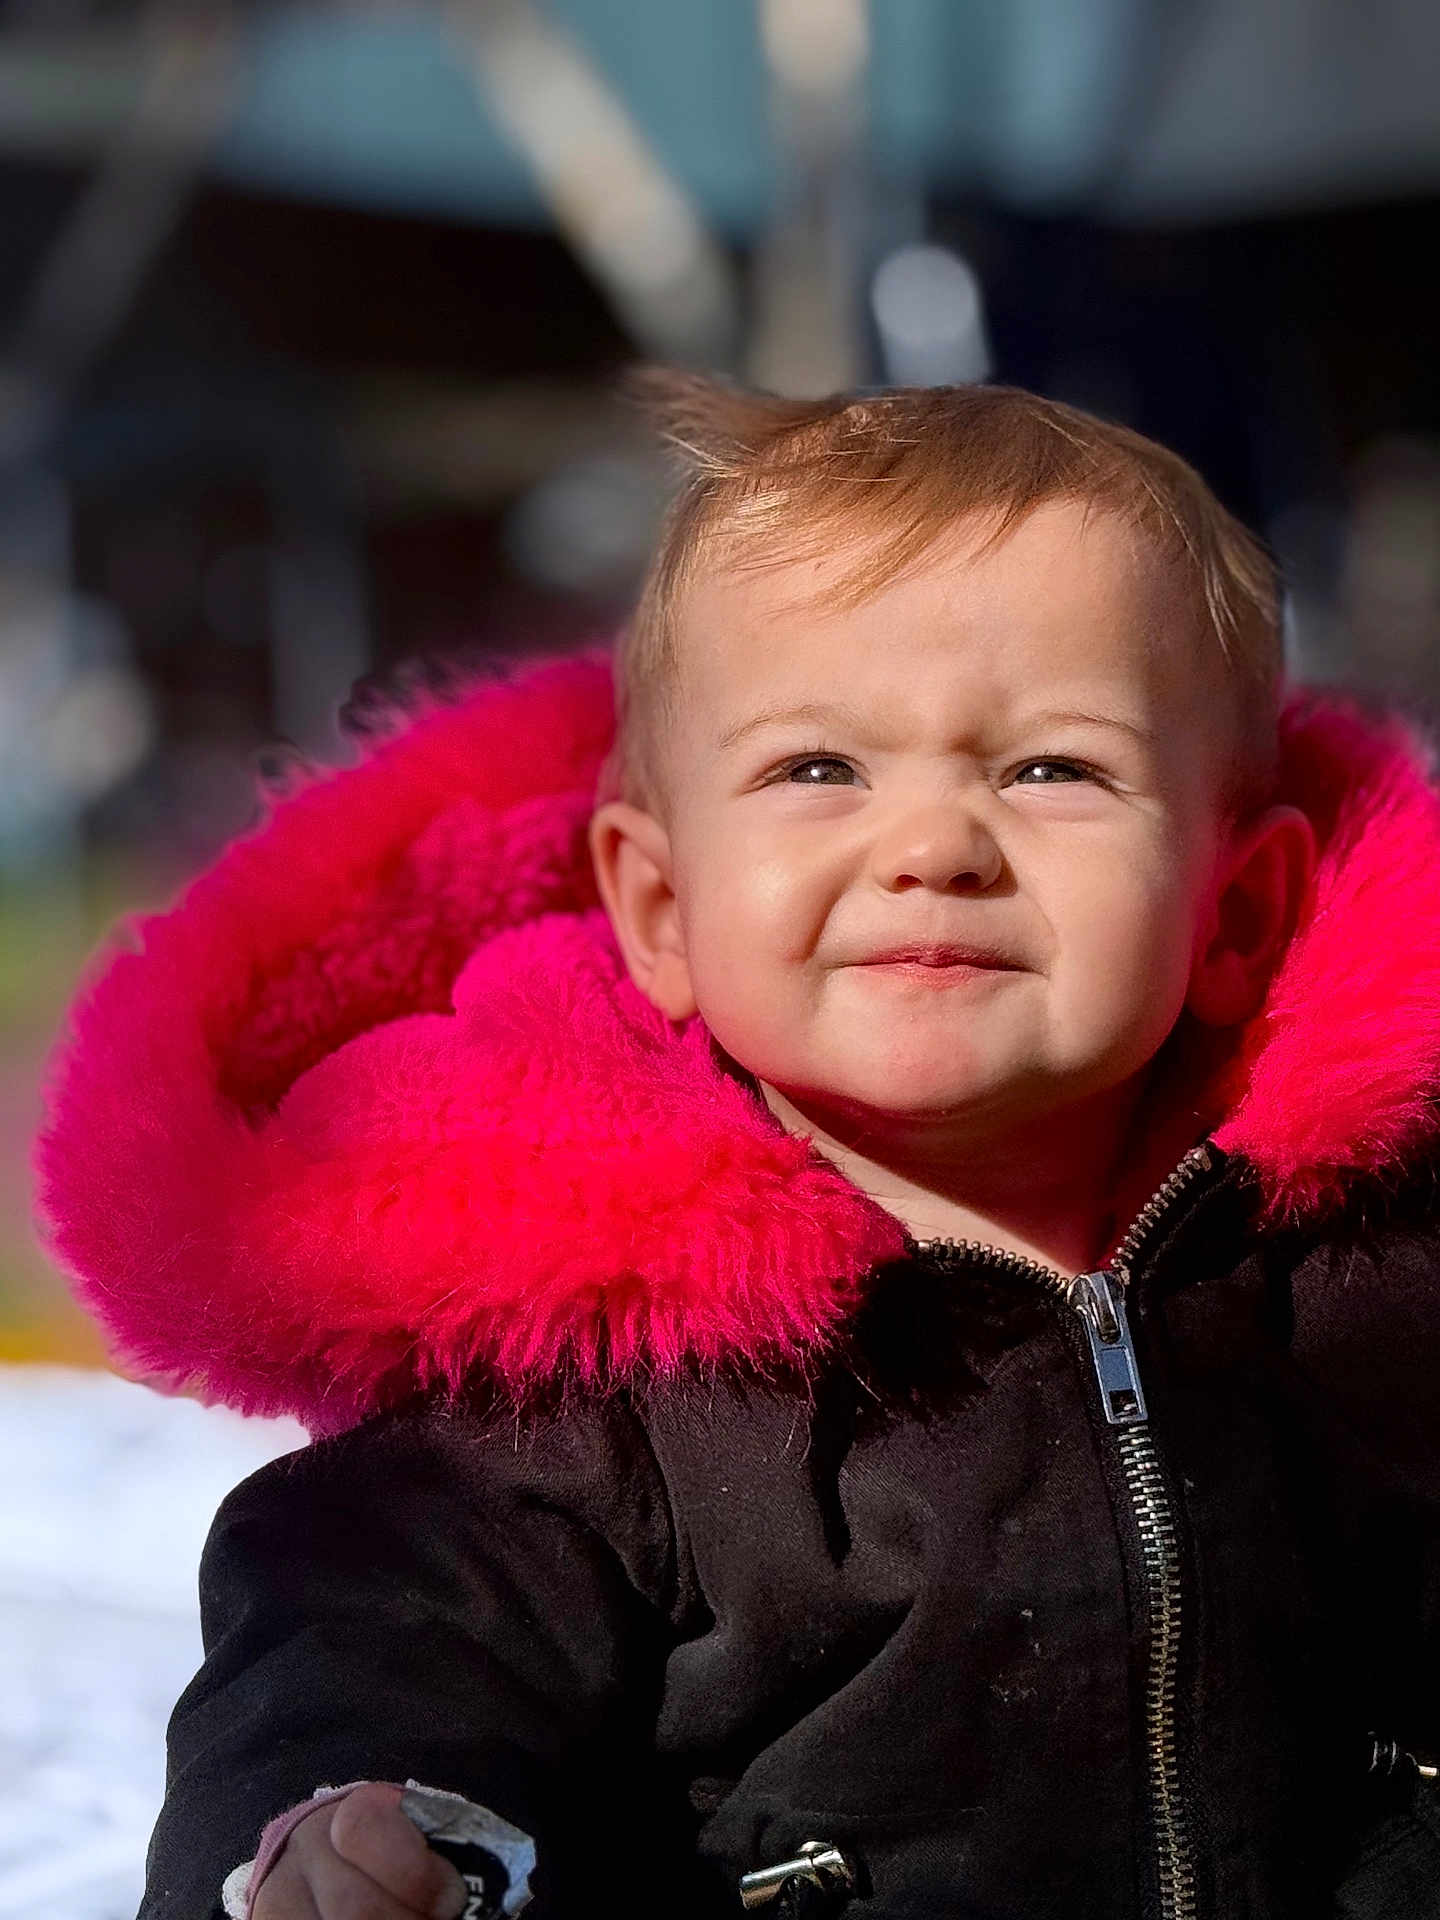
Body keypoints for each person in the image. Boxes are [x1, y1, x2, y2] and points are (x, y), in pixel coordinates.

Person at [35, 374, 1440, 1920]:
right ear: (659, 910)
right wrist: (348, 1834)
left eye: (1053, 769)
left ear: (1233, 911)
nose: (933, 846)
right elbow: (376, 1630)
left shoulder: (1368, 1277)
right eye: (817, 769)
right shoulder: (578, 1360)